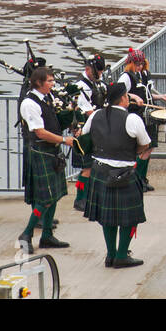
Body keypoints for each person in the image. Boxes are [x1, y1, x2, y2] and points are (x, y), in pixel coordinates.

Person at [81, 82, 152, 269]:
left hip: (99, 171)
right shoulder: (133, 119)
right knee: (129, 218)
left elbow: (84, 135)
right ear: (122, 98)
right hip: (124, 173)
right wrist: (132, 151)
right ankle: (121, 255)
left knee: (107, 217)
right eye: (127, 96)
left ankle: (110, 254)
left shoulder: (95, 115)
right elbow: (145, 144)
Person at [16, 65, 76, 254]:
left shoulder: (47, 98)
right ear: (38, 83)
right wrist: (64, 140)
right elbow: (39, 132)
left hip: (52, 151)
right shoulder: (29, 103)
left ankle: (47, 235)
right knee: (45, 199)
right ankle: (26, 234)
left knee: (55, 196)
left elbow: (55, 120)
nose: (53, 84)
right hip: (41, 152)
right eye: (49, 81)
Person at [118, 47, 166, 191]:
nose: (140, 66)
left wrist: (161, 96)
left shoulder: (145, 74)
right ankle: (136, 180)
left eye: (141, 63)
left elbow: (148, 94)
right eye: (137, 64)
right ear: (130, 63)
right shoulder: (126, 77)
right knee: (141, 148)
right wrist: (133, 96)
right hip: (136, 115)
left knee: (150, 146)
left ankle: (142, 179)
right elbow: (119, 93)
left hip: (148, 113)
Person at [71, 53, 108, 212]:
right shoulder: (81, 86)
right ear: (87, 69)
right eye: (97, 72)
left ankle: (91, 196)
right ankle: (80, 199)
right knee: (87, 168)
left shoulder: (98, 84)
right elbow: (88, 112)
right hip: (85, 131)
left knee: (95, 165)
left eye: (100, 71)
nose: (100, 74)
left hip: (97, 128)